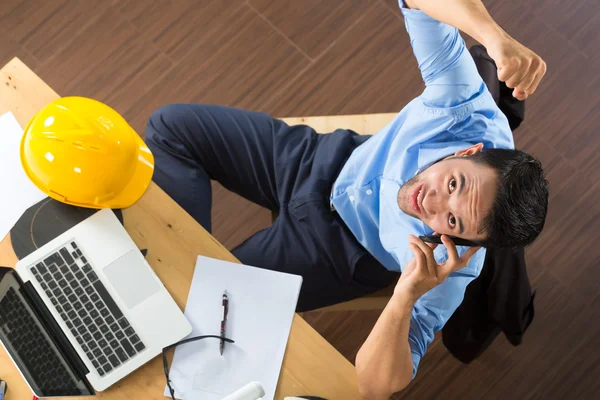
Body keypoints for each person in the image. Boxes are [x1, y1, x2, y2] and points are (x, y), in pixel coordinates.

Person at [144, 0, 548, 398]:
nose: (433, 203)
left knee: (203, 320)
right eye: (455, 184)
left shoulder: (450, 269)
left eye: (454, 221)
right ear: (468, 151)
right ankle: (183, 275)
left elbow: (375, 387)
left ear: (465, 243)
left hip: (335, 252)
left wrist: (405, 295)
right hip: (320, 160)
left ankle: (178, 283)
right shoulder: (464, 109)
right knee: (170, 126)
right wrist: (491, 35)